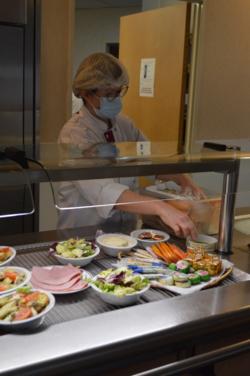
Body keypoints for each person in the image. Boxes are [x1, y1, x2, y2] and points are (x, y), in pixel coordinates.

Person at [57, 52, 204, 239]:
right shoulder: (75, 133)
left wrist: (183, 179)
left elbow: (150, 161)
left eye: (119, 91)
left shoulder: (124, 123)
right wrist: (161, 207)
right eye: (109, 94)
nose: (117, 98)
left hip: (125, 230)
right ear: (86, 93)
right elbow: (104, 191)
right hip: (83, 231)